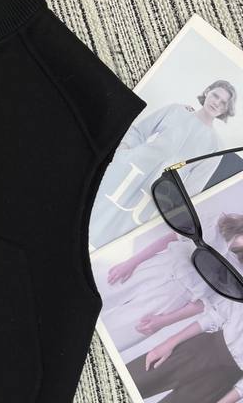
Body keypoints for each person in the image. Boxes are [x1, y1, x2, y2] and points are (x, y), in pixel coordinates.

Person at [89, 80, 237, 249]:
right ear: (207, 91)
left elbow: (194, 186)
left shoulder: (216, 145)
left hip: (157, 193)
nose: (217, 103)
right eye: (215, 96)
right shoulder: (176, 110)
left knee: (116, 234)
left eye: (223, 102)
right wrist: (123, 152)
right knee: (94, 210)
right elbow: (139, 131)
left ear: (226, 109)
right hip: (129, 170)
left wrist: (171, 207)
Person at [100, 213, 243, 352]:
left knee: (116, 336)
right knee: (100, 295)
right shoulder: (221, 223)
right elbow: (172, 237)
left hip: (172, 299)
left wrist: (165, 321)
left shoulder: (239, 275)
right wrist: (131, 262)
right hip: (157, 268)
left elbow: (206, 302)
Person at [126, 296, 243, 403]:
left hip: (220, 380)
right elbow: (215, 316)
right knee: (129, 381)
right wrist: (169, 343)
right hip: (198, 350)